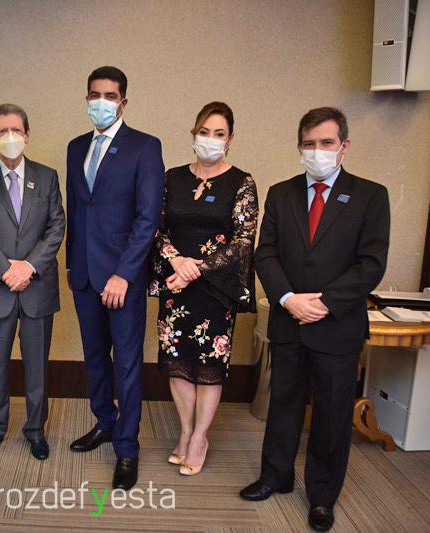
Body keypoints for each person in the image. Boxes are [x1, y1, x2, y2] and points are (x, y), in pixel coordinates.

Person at [240, 107, 390, 532]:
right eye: (309, 143)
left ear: (344, 146)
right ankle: (276, 475)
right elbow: (265, 253)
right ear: (299, 146)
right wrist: (289, 299)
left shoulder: (370, 195)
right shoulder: (281, 192)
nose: (317, 151)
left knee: (332, 412)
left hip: (336, 324)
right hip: (289, 321)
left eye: (326, 143)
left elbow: (371, 263)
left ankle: (322, 496)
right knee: (283, 403)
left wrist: (324, 303)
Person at [66, 66, 165, 490]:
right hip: (84, 275)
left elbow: (148, 218)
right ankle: (105, 422)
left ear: (123, 102)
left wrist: (124, 274)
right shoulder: (75, 147)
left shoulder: (145, 146)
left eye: (109, 95)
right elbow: (77, 209)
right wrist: (71, 265)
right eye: (95, 95)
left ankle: (127, 448)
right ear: (86, 98)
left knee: (126, 362)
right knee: (94, 357)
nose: (101, 102)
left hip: (123, 278)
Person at [151, 102, 258, 476]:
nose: (210, 139)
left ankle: (200, 437)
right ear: (194, 134)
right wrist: (176, 261)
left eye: (219, 133)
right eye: (204, 132)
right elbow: (156, 228)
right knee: (178, 363)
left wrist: (195, 269)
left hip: (216, 287)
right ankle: (185, 431)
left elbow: (243, 240)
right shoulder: (171, 178)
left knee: (209, 364)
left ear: (230, 139)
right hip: (175, 285)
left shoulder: (241, 182)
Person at [0, 104, 65, 463]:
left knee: (37, 364)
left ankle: (35, 430)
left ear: (27, 135)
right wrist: (5, 269)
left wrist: (29, 267)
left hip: (36, 285)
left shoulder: (47, 176)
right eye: (2, 131)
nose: (10, 137)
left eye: (16, 130)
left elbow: (56, 225)